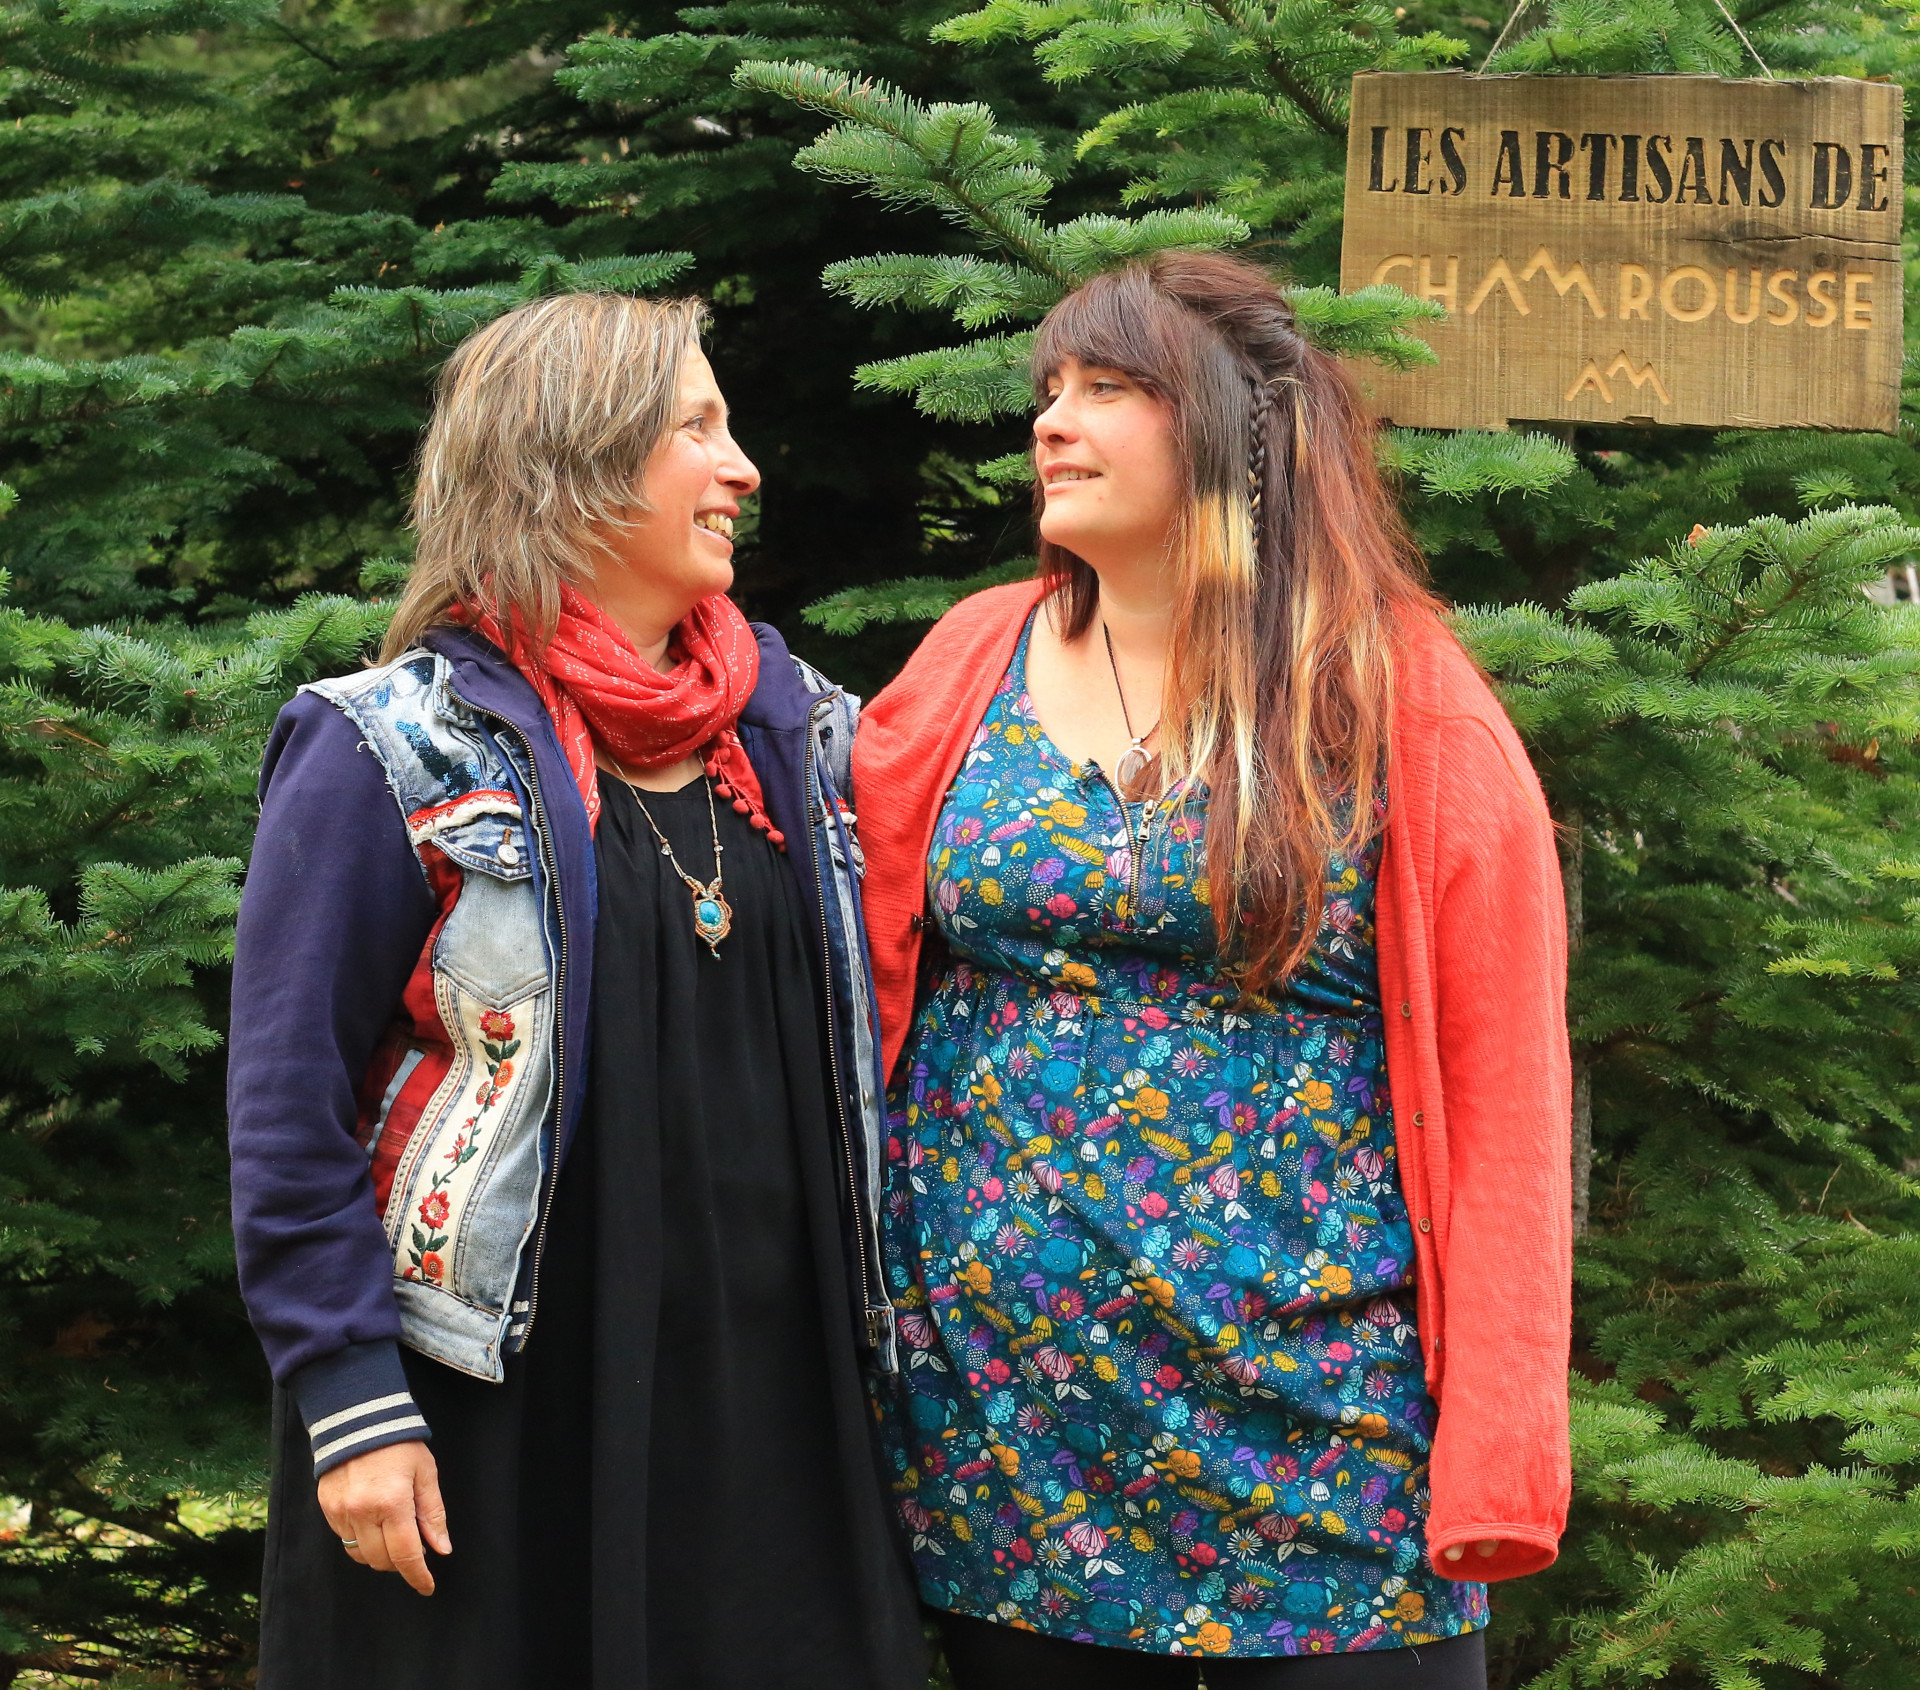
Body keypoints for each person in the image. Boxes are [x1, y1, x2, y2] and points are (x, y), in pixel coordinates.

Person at [851, 251, 1573, 1688]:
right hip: (1010, 1441)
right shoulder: (969, 662)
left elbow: (1505, 1105)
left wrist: (1497, 1445)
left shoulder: (1397, 694)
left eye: (1108, 389)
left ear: (1238, 428)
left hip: (1328, 1443)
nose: (1053, 420)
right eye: (1049, 389)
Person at [226, 292, 923, 1690]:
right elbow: (285, 1106)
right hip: (492, 1400)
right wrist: (352, 1397)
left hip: (765, 1398)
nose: (744, 469)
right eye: (698, 429)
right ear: (576, 465)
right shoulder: (387, 749)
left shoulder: (804, 732)